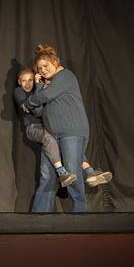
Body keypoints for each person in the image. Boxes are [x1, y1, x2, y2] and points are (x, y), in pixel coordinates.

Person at [14, 66, 112, 188]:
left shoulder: (37, 90)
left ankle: (90, 172)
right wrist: (39, 88)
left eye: (30, 80)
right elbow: (35, 110)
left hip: (48, 126)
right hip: (33, 127)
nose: (27, 83)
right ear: (19, 82)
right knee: (48, 139)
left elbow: (44, 101)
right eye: (24, 80)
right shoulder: (19, 92)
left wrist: (41, 87)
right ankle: (62, 173)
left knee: (67, 144)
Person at [22, 44, 91, 212]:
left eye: (46, 66)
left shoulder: (65, 76)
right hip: (52, 136)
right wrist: (38, 86)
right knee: (47, 175)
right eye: (40, 68)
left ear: (55, 62)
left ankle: (80, 216)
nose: (43, 70)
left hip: (71, 133)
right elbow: (39, 110)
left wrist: (29, 102)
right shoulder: (48, 84)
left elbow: (43, 98)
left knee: (73, 172)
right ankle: (39, 218)